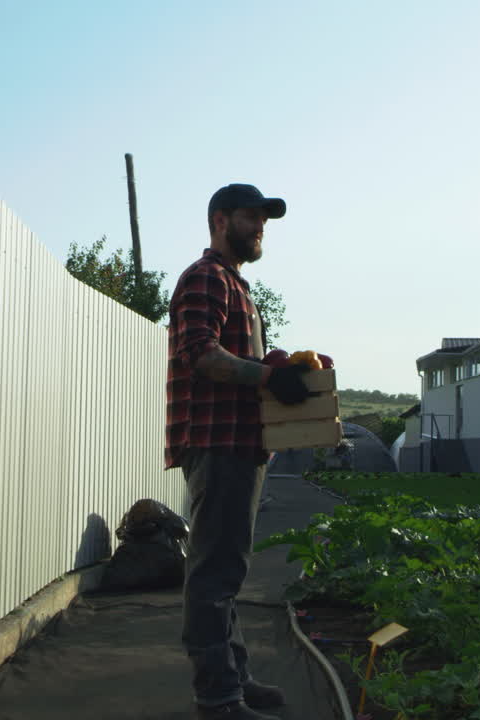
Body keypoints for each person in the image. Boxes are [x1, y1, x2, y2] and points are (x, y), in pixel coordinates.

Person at [165, 183, 311, 719]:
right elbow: (200, 354)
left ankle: (235, 678)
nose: (260, 227)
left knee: (228, 570)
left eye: (264, 219)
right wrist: (269, 376)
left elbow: (237, 359)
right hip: (216, 442)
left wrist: (279, 364)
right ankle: (218, 698)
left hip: (240, 444)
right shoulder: (205, 277)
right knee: (213, 574)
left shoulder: (236, 286)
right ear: (220, 220)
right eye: (252, 217)